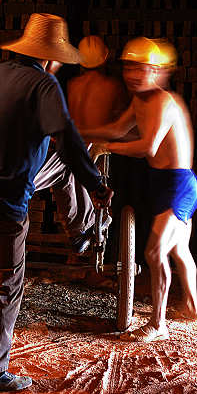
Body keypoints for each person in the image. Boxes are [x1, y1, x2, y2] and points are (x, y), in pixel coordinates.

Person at [0, 13, 113, 392]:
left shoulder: (1, 74)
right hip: (9, 189)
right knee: (8, 283)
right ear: (51, 57)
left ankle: (80, 230)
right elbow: (67, 136)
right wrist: (97, 185)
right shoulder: (44, 84)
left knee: (61, 167)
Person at [80, 37, 197, 343]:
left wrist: (107, 147)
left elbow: (148, 146)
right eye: (129, 68)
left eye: (141, 68)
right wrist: (79, 133)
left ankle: (158, 324)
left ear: (157, 71)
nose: (133, 75)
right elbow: (116, 129)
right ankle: (192, 309)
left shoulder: (163, 102)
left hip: (179, 186)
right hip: (162, 183)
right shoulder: (139, 101)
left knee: (154, 251)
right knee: (179, 250)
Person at [42, 35, 130, 254]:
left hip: (74, 144)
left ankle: (78, 229)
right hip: (92, 146)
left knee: (68, 168)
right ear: (105, 57)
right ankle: (90, 223)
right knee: (81, 169)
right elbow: (119, 124)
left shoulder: (74, 85)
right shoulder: (111, 86)